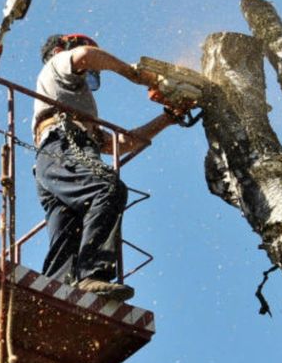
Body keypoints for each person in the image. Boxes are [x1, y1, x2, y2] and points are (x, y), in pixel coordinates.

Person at [33, 33, 177, 301]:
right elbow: (85, 55)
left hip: (57, 157)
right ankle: (92, 274)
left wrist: (168, 118)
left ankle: (53, 294)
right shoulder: (57, 65)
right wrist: (134, 74)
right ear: (58, 50)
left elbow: (119, 144)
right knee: (107, 188)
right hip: (63, 146)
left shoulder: (74, 100)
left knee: (69, 230)